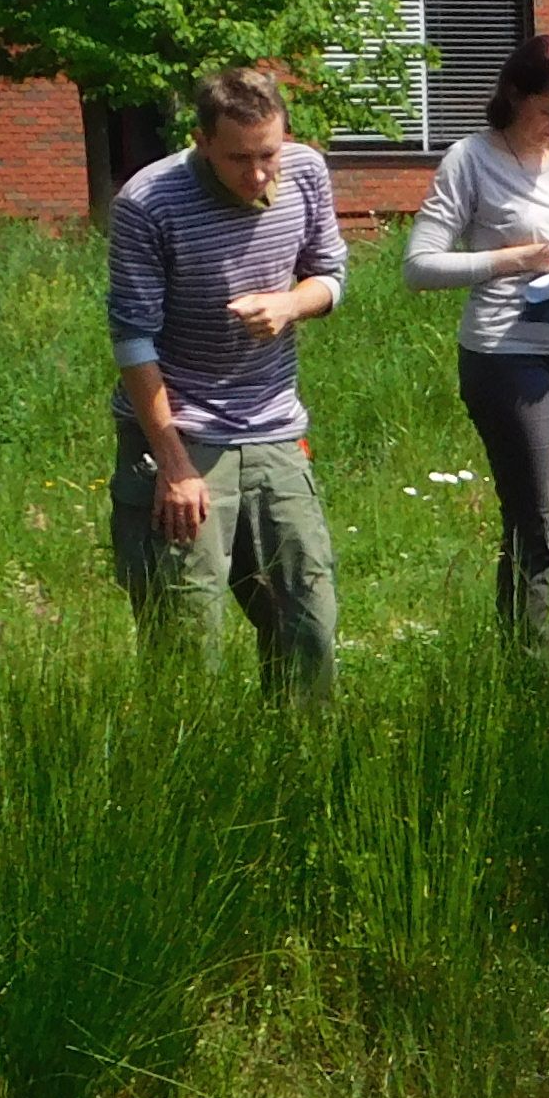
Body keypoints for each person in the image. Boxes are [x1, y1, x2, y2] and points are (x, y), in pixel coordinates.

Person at [107, 64, 346, 687]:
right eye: (241, 158)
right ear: (201, 140)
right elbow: (133, 340)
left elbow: (331, 276)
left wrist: (291, 304)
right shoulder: (147, 202)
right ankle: (190, 771)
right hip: (182, 434)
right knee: (186, 630)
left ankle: (302, 766)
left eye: (270, 153)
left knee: (308, 616)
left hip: (273, 428)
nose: (261, 173)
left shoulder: (307, 175)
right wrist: (174, 465)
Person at [403, 30, 549, 646]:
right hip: (506, 354)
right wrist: (517, 258)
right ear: (514, 97)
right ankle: (530, 668)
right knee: (535, 521)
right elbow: (419, 267)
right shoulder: (470, 159)